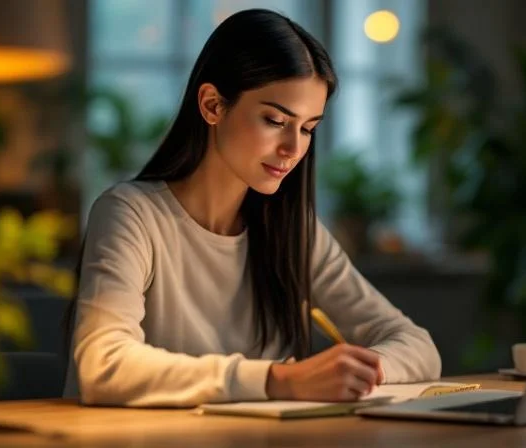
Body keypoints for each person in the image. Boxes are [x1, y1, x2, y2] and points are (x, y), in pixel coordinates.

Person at [62, 8, 441, 408]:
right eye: (275, 120)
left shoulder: (293, 230)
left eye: (308, 128)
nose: (293, 148)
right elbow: (103, 364)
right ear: (212, 105)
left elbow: (417, 346)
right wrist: (279, 380)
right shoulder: (130, 215)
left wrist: (356, 372)